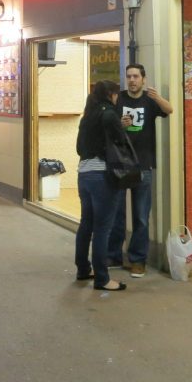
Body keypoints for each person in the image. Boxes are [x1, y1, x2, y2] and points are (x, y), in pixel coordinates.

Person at [107, 64, 172, 277]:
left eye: (136, 76)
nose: (132, 80)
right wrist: (120, 125)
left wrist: (158, 97)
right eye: (129, 77)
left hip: (144, 165)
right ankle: (114, 254)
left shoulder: (150, 100)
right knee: (116, 213)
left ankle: (138, 260)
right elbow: (107, 126)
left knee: (141, 216)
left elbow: (169, 109)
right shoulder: (119, 99)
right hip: (120, 165)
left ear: (143, 79)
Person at [75, 79, 126, 292]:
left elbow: (79, 148)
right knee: (103, 228)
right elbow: (121, 142)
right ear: (111, 95)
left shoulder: (87, 116)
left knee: (86, 224)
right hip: (102, 176)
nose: (117, 98)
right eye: (116, 94)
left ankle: (83, 269)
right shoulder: (109, 114)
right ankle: (102, 278)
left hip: (84, 174)